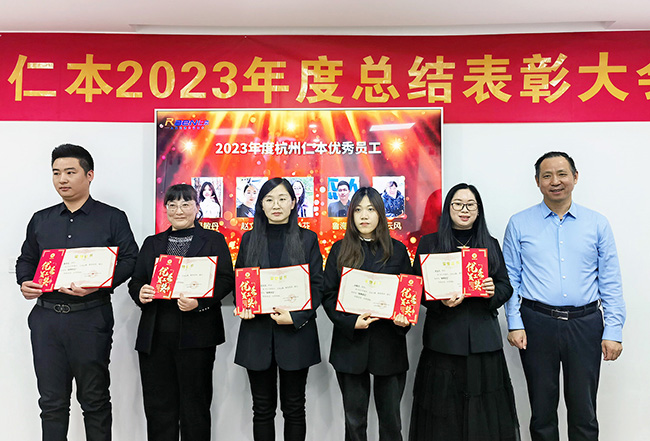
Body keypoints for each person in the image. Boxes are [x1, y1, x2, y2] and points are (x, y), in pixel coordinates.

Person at [16, 144, 138, 441]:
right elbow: (27, 259)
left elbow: (130, 259)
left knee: (94, 400)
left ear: (89, 175)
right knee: (51, 403)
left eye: (70, 172)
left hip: (90, 318)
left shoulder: (112, 217)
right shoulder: (41, 219)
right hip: (46, 320)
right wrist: (25, 281)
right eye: (56, 173)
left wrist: (102, 283)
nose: (62, 179)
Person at [503, 151, 625, 441]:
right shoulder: (519, 223)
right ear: (537, 181)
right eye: (547, 176)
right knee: (542, 411)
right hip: (536, 322)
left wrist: (614, 330)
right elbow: (511, 279)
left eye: (562, 174)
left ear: (575, 177)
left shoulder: (597, 223)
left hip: (585, 323)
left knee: (584, 411)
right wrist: (514, 323)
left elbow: (610, 280)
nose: (555, 181)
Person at [409, 183, 519, 441]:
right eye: (458, 204)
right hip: (443, 342)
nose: (464, 209)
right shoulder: (430, 243)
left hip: (483, 342)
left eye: (470, 204)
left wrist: (492, 291)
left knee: (484, 415)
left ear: (478, 210)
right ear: (448, 209)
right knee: (443, 416)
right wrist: (440, 302)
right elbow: (415, 288)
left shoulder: (490, 244)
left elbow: (505, 286)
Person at [128, 184, 234, 441]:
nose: (179, 210)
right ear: (165, 208)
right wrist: (141, 292)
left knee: (195, 407)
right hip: (155, 337)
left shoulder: (213, 240)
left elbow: (225, 280)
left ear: (197, 208)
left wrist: (200, 302)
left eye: (186, 204)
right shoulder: (152, 243)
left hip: (197, 336)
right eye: (173, 205)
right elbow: (136, 281)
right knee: (158, 408)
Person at [234, 177, 323, 441]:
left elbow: (317, 286)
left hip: (296, 335)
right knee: (262, 410)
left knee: (294, 408)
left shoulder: (307, 239)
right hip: (256, 334)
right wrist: (244, 305)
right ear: (260, 205)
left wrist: (295, 317)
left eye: (282, 199)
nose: (276, 205)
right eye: (269, 199)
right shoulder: (249, 239)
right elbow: (241, 283)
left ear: (293, 202)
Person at [322, 187, 412, 441]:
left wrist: (404, 319)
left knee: (391, 422)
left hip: (389, 345)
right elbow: (328, 295)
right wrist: (351, 322)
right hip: (351, 346)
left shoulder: (397, 250)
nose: (364, 216)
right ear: (351, 215)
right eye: (358, 210)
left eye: (371, 209)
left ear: (380, 214)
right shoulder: (339, 250)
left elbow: (409, 294)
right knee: (354, 422)